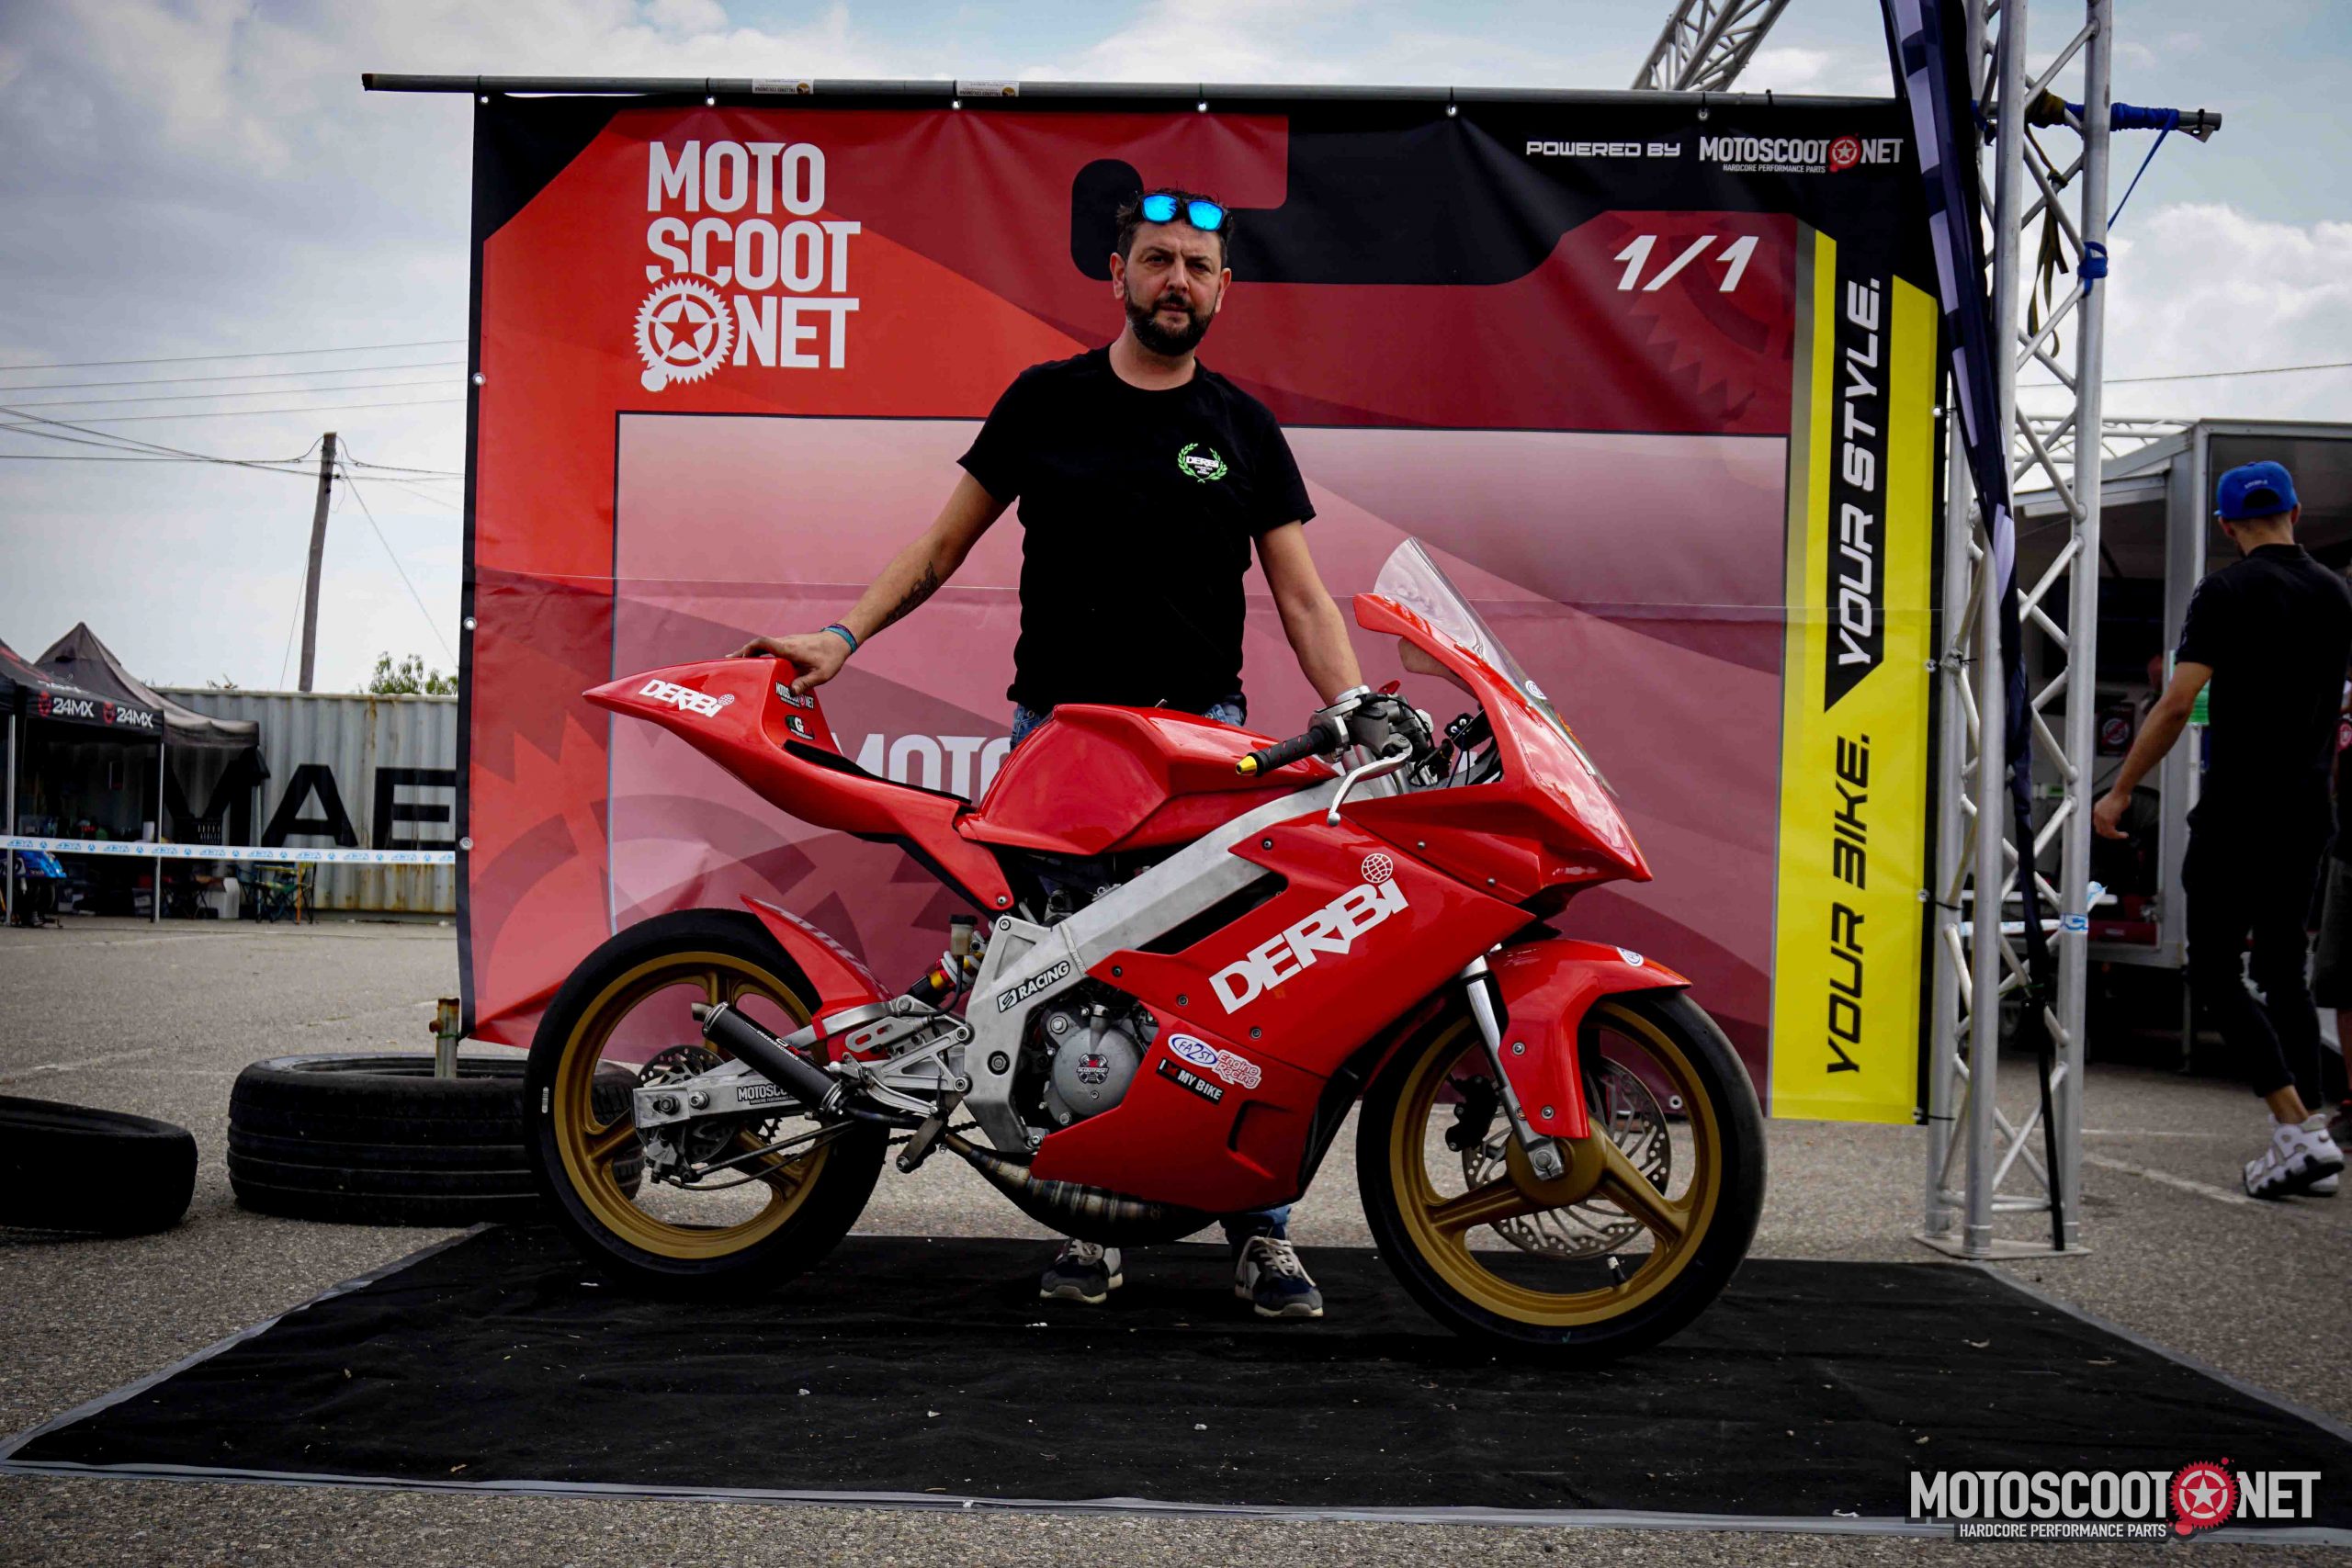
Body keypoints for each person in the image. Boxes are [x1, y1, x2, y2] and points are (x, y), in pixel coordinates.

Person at [732, 187, 1363, 1315]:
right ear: (1118, 274)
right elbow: (938, 549)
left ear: (1224, 290)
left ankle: (1260, 1236)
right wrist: (840, 637)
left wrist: (1355, 704)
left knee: (1227, 998)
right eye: (1157, 260)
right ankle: (1086, 1227)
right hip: (1061, 749)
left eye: (1198, 267)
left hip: (1205, 751)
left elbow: (1305, 599)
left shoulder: (1243, 427)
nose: (1177, 281)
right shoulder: (1044, 401)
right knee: (1062, 989)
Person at [2094, 460, 2351, 1198]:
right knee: (2282, 970)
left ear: (2226, 525)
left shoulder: (2225, 590)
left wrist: (2121, 790)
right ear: (2295, 512)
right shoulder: (2337, 592)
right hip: (2308, 810)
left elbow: (2178, 702)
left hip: (2240, 808)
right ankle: (2305, 1132)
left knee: (2211, 967)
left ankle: (2297, 1129)